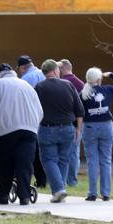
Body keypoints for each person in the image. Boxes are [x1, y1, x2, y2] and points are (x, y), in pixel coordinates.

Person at [0, 63, 43, 205]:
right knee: (24, 164)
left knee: (4, 163)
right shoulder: (26, 85)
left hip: (5, 132)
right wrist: (32, 125)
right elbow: (40, 111)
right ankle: (24, 196)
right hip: (29, 131)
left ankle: (3, 195)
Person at [34, 59, 84, 203]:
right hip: (68, 128)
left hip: (47, 128)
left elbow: (34, 109)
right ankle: (60, 190)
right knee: (64, 160)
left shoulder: (39, 87)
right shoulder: (68, 85)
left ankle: (58, 190)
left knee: (49, 159)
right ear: (56, 71)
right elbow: (79, 110)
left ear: (44, 73)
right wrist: (78, 130)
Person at [80, 67, 113, 201]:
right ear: (99, 79)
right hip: (106, 126)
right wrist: (112, 74)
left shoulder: (83, 94)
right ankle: (106, 193)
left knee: (92, 161)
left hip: (89, 128)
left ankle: (92, 193)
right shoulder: (107, 90)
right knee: (106, 160)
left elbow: (77, 110)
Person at [17, 54, 47, 187]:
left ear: (22, 68)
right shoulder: (43, 73)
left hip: (33, 118)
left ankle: (40, 180)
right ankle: (47, 179)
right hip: (48, 117)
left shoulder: (26, 79)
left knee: (34, 152)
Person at [59, 59, 85, 187]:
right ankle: (72, 181)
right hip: (78, 122)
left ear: (62, 69)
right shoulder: (81, 84)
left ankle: (62, 180)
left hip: (63, 122)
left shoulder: (61, 83)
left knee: (61, 152)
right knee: (74, 153)